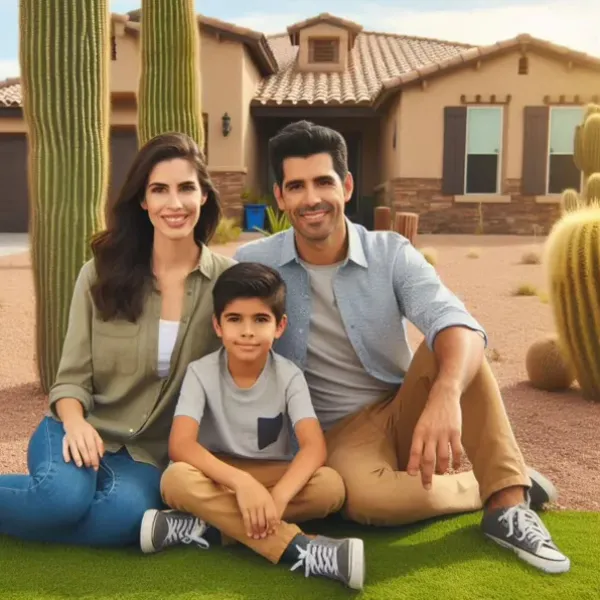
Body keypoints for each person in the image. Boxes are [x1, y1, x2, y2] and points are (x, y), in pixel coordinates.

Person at [231, 120, 570, 575]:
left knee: (454, 338)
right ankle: (498, 480)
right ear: (280, 197)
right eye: (296, 186)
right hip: (334, 432)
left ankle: (507, 506)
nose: (311, 199)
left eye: (323, 182)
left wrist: (446, 394)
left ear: (346, 186)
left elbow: (455, 322)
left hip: (401, 404)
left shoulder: (390, 253)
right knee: (368, 503)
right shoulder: (255, 264)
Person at [0, 132, 235, 547]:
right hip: (79, 427)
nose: (174, 204)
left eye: (186, 188)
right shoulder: (100, 273)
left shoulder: (227, 284)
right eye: (159, 189)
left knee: (122, 519)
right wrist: (75, 424)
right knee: (60, 500)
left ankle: (36, 512)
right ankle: (47, 505)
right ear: (143, 201)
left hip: (149, 455)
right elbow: (70, 378)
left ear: (203, 197)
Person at [140, 262, 365, 590]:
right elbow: (182, 446)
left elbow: (314, 447)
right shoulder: (201, 372)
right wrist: (242, 484)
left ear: (279, 326)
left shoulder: (289, 376)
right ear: (217, 325)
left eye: (260, 319)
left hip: (270, 477)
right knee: (175, 479)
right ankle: (301, 548)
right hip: (216, 476)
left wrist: (278, 499)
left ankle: (207, 527)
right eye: (235, 319)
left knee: (330, 487)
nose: (247, 331)